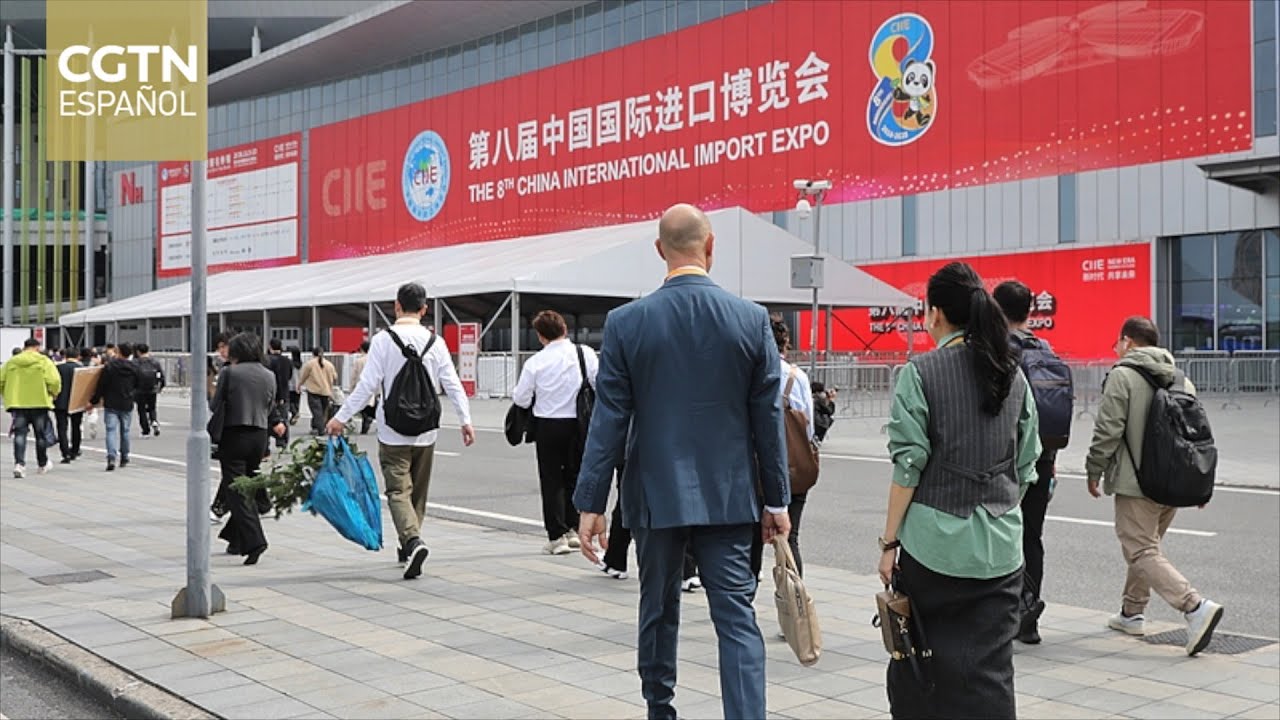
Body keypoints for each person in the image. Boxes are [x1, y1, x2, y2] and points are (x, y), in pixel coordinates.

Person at [574, 204, 790, 720]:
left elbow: (609, 421)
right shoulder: (751, 319)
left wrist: (591, 502)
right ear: (711, 246)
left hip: (654, 492)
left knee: (658, 608)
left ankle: (660, 710)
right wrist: (777, 499)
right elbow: (768, 417)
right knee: (736, 617)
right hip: (730, 495)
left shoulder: (627, 323)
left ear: (659, 251)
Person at [878, 262, 1040, 720]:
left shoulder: (921, 373)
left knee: (926, 662)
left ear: (934, 313)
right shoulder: (1012, 373)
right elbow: (1027, 462)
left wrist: (889, 542)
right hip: (1002, 549)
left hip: (935, 547)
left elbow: (908, 467)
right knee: (991, 670)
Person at [1087, 316, 1224, 657]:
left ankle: (1194, 607)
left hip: (1137, 484)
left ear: (1128, 342)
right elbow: (1197, 432)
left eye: (1117, 343)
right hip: (1172, 482)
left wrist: (1094, 469)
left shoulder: (1123, 375)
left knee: (1140, 550)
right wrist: (1199, 482)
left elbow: (1108, 428)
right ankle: (1132, 612)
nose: (1115, 349)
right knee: (1149, 547)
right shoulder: (1180, 378)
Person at [326, 282, 476, 580]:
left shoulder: (383, 340)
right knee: (417, 493)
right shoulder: (436, 342)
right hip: (426, 431)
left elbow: (367, 385)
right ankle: (410, 543)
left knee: (398, 490)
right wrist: (465, 420)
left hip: (392, 430)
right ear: (424, 309)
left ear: (396, 306)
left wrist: (340, 417)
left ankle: (412, 541)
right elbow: (452, 384)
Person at [993, 280, 1062, 645]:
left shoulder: (997, 349)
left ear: (996, 308)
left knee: (999, 535)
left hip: (1005, 460)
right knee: (1031, 537)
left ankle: (1003, 614)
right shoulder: (1044, 347)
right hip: (1043, 458)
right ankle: (1028, 614)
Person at [512, 310, 599, 555]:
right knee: (575, 476)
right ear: (564, 329)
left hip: (548, 425)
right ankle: (573, 528)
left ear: (541, 336)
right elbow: (599, 383)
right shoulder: (585, 354)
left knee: (551, 480)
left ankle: (556, 536)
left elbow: (521, 397)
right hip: (578, 424)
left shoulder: (536, 362)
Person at [210, 333, 287, 565]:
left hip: (234, 433)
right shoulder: (269, 374)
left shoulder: (229, 372)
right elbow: (270, 404)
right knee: (249, 485)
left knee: (236, 489)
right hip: (259, 436)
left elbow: (216, 404)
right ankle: (235, 539)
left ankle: (255, 541)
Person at [772, 320, 816, 578]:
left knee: (752, 539)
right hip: (795, 466)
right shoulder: (796, 377)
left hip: (758, 467)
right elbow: (808, 425)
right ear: (786, 344)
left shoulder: (751, 373)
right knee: (792, 536)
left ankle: (746, 603)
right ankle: (795, 598)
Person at [0, 338, 61, 478]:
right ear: (37, 347)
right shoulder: (44, 361)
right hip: (39, 402)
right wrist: (54, 392)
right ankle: (42, 463)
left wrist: (7, 393)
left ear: (24, 347)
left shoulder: (12, 362)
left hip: (18, 403)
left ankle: (19, 464)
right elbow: (54, 380)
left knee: (20, 434)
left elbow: (0, 380)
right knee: (40, 435)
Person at [91, 342, 142, 472]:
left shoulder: (110, 367)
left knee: (111, 430)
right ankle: (124, 456)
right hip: (127, 402)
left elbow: (101, 385)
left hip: (111, 402)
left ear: (118, 352)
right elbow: (139, 385)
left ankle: (111, 457)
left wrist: (94, 401)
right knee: (125, 431)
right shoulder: (135, 367)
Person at [53, 348, 87, 463]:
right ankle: (75, 450)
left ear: (65, 356)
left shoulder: (58, 368)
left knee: (62, 428)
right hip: (77, 401)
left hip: (61, 402)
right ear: (78, 356)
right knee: (76, 426)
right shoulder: (82, 369)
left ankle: (65, 453)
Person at [299, 346, 338, 436]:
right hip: (326, 391)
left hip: (313, 390)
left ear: (313, 354)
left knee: (316, 411)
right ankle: (317, 427)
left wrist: (299, 384)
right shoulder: (329, 364)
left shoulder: (310, 364)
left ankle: (320, 429)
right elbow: (335, 376)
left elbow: (303, 375)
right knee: (323, 411)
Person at [133, 344, 165, 437]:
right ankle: (154, 421)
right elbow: (161, 375)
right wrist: (160, 386)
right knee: (152, 407)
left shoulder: (136, 362)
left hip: (139, 389)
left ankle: (145, 430)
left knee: (141, 409)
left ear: (138, 351)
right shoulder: (155, 362)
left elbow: (132, 375)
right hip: (152, 388)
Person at [266, 339, 294, 448]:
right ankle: (282, 441)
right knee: (283, 418)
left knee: (269, 418)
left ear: (270, 347)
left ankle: (266, 443)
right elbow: (290, 376)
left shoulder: (268, 360)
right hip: (284, 393)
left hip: (271, 393)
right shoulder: (287, 361)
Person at [350, 340, 379, 435]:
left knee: (363, 406)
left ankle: (367, 419)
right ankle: (369, 419)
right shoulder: (375, 360)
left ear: (361, 349)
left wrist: (352, 388)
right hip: (374, 387)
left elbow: (354, 376)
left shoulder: (359, 361)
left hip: (361, 387)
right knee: (371, 405)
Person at [287, 347, 303, 424]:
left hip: (291, 385)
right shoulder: (301, 364)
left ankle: (294, 413)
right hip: (299, 385)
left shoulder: (291, 363)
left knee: (289, 402)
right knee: (296, 402)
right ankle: (295, 415)